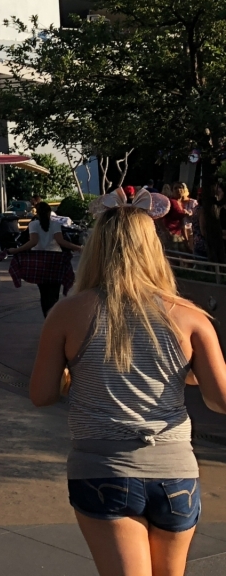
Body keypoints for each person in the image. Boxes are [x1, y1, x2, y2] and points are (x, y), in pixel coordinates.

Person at [29, 188, 226, 576]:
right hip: (174, 470)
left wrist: (76, 375)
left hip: (102, 468)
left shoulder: (67, 313)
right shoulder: (190, 316)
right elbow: (220, 399)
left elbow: (41, 394)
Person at [7, 201, 80, 315]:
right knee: (54, 292)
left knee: (44, 293)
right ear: (49, 212)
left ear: (37, 213)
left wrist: (15, 250)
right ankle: (54, 316)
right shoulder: (55, 225)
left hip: (39, 261)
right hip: (56, 260)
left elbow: (33, 242)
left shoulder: (33, 224)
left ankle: (47, 317)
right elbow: (61, 242)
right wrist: (79, 248)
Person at [164, 183, 196, 252]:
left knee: (187, 254)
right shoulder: (170, 202)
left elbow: (182, 223)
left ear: (184, 190)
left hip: (179, 234)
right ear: (172, 191)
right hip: (170, 234)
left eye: (180, 187)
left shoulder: (181, 204)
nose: (178, 190)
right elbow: (160, 217)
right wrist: (165, 231)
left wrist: (185, 238)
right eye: (175, 188)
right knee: (173, 259)